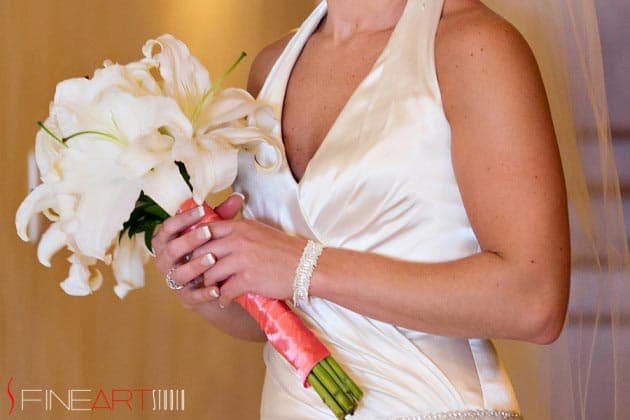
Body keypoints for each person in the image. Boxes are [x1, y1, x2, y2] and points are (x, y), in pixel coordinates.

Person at [151, 0, 571, 418]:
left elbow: (534, 303)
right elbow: (295, 313)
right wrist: (203, 278)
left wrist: (305, 266)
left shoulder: (471, 45)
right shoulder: (272, 66)